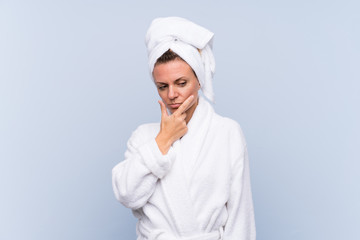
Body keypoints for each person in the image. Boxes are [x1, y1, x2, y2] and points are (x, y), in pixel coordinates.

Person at [112, 17, 256, 240]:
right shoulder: (143, 137)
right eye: (162, 86)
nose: (172, 95)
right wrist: (163, 140)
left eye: (181, 83)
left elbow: (240, 216)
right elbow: (126, 194)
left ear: (199, 81)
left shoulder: (227, 132)